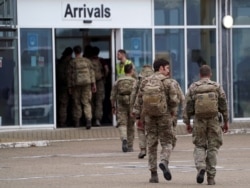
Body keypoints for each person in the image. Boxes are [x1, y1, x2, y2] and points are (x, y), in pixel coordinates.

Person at [132, 58, 179, 183]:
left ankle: (153, 174)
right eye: (167, 68)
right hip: (165, 116)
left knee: (151, 146)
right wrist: (173, 111)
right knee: (167, 142)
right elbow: (174, 100)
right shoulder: (169, 82)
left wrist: (137, 116)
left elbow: (139, 100)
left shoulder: (145, 81)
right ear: (161, 68)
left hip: (149, 117)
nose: (168, 71)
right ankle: (164, 161)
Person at [183, 65, 229, 185]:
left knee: (199, 145)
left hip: (199, 120)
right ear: (210, 74)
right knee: (213, 147)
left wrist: (187, 122)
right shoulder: (216, 86)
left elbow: (187, 105)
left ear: (200, 75)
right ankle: (211, 177)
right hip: (214, 120)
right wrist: (226, 121)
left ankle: (201, 167)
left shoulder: (193, 87)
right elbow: (223, 104)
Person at [67, 45, 96, 129]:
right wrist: (93, 84)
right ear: (81, 52)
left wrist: (69, 87)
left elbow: (69, 75)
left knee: (77, 103)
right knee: (86, 102)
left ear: (74, 52)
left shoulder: (72, 62)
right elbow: (92, 73)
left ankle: (77, 122)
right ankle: (88, 121)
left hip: (76, 85)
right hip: (87, 84)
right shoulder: (87, 61)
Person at [110, 64, 136, 152]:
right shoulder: (134, 81)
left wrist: (113, 106)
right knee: (131, 125)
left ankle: (124, 138)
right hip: (132, 104)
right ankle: (130, 146)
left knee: (122, 123)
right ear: (131, 70)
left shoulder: (118, 81)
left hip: (121, 104)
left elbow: (112, 95)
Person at [130, 64, 154, 159]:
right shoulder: (156, 78)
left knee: (140, 128)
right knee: (152, 129)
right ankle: (152, 149)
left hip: (141, 106)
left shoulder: (139, 79)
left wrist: (132, 108)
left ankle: (143, 149)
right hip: (154, 106)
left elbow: (133, 94)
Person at [56, 47, 73, 127]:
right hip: (67, 87)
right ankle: (64, 121)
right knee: (68, 104)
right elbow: (61, 77)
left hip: (64, 86)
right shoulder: (69, 63)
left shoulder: (62, 62)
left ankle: (63, 121)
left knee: (64, 105)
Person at [90, 46, 106, 126]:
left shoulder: (88, 61)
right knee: (99, 101)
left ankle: (90, 118)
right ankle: (97, 119)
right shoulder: (101, 60)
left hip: (90, 83)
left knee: (90, 102)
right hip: (100, 82)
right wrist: (104, 77)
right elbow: (107, 70)